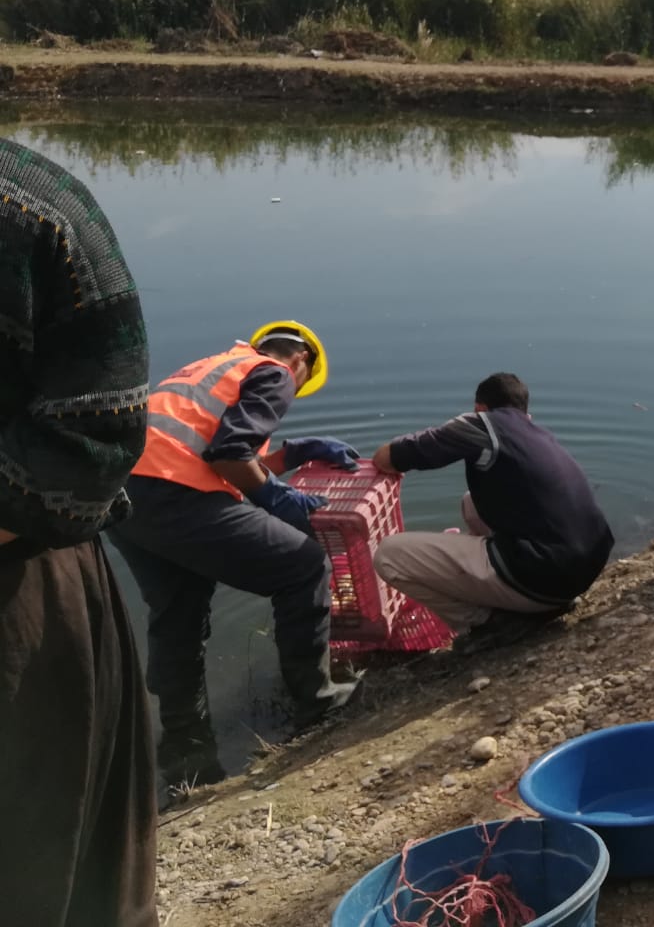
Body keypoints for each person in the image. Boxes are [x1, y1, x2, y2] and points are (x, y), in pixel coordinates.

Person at [0, 138, 158, 926]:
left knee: (38, 874)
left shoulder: (28, 209)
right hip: (169, 511)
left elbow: (92, 435)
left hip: (26, 568)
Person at [108, 321, 361, 802]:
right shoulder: (275, 373)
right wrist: (277, 499)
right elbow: (228, 455)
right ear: (301, 361)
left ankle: (185, 742)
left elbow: (213, 450)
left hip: (124, 498)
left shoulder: (211, 368)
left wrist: (294, 453)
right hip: (176, 496)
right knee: (303, 565)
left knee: (178, 612)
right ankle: (318, 700)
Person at [371, 372, 615, 653]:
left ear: (480, 407)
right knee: (471, 503)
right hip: (581, 572)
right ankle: (529, 600)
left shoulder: (480, 424)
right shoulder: (539, 435)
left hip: (543, 578)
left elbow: (386, 459)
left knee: (388, 555)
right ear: (524, 411)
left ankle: (486, 622)